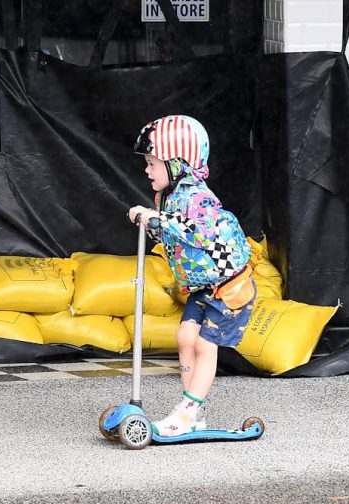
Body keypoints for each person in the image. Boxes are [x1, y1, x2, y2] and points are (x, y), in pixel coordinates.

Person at [127, 115, 256, 437]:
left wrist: (156, 220)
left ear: (177, 163)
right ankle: (193, 411)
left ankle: (186, 410)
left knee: (203, 344)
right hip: (203, 286)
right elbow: (173, 239)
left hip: (229, 287)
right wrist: (152, 222)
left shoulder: (198, 197)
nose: (147, 170)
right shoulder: (168, 196)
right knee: (184, 337)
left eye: (152, 163)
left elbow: (198, 234)